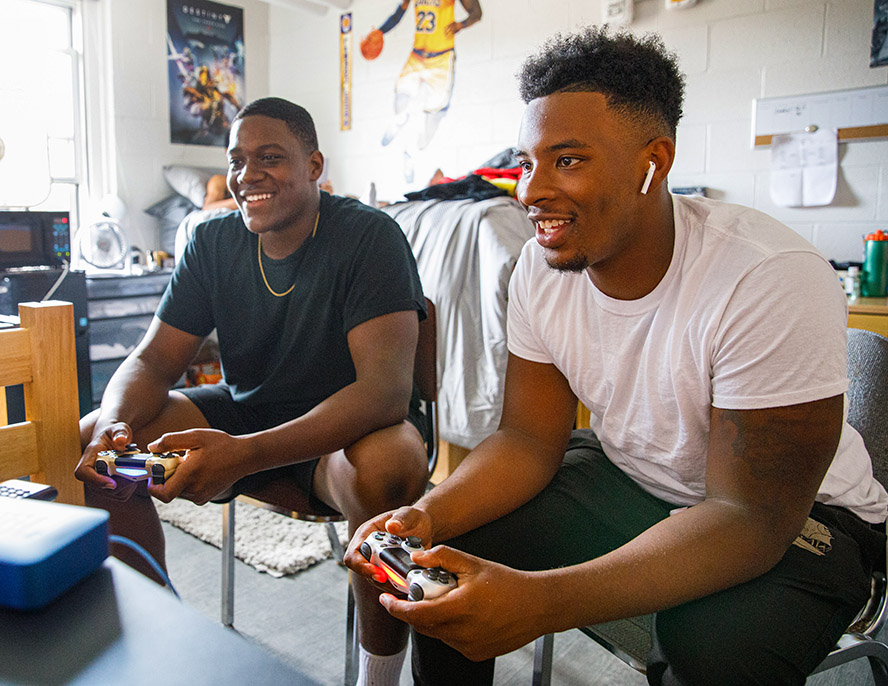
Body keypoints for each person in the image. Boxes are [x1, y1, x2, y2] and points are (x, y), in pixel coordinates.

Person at [345, 27, 888, 686]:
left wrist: (536, 602)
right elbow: (526, 438)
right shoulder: (538, 273)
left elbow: (748, 520)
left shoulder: (766, 276)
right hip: (636, 480)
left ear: (653, 162)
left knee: (708, 649)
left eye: (568, 161)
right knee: (440, 558)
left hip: (799, 522)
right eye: (527, 162)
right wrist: (426, 516)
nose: (529, 191)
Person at [76, 97, 430, 686]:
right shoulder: (211, 240)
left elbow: (384, 393)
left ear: (314, 165)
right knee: (104, 444)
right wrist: (115, 423)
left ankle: (379, 676)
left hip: (341, 436)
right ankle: (155, 633)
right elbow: (153, 359)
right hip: (245, 414)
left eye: (271, 156)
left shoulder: (369, 235)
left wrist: (245, 454)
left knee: (391, 463)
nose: (247, 175)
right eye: (237, 161)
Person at [372, 0, 482, 156]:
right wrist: (380, 31)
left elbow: (477, 13)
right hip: (417, 55)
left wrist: (461, 25)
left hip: (441, 57)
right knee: (401, 97)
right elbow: (398, 14)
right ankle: (399, 122)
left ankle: (417, 150)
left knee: (435, 111)